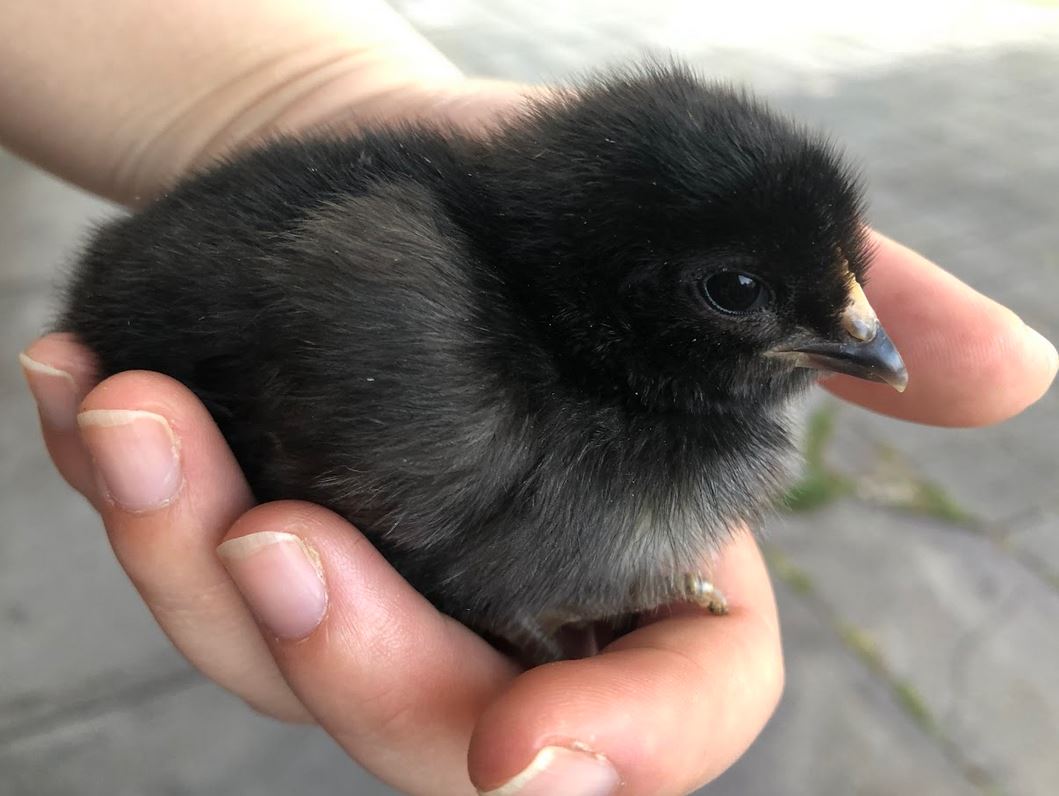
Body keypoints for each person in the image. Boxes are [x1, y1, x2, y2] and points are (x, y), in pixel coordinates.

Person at [7, 2, 1057, 794]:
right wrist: (496, 584)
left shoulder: (496, 263)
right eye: (736, 292)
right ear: (617, 304)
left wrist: (296, 86)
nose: (867, 333)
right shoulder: (440, 371)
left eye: (844, 275)